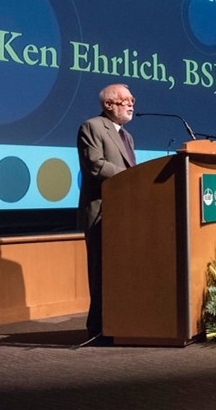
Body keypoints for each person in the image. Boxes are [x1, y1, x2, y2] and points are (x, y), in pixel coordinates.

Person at [76, 83, 137, 341]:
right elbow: (95, 166)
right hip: (101, 212)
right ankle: (98, 329)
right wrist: (133, 177)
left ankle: (120, 322)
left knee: (123, 271)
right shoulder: (91, 127)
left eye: (132, 99)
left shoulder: (127, 136)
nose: (131, 104)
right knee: (101, 271)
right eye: (125, 100)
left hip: (124, 214)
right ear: (108, 104)